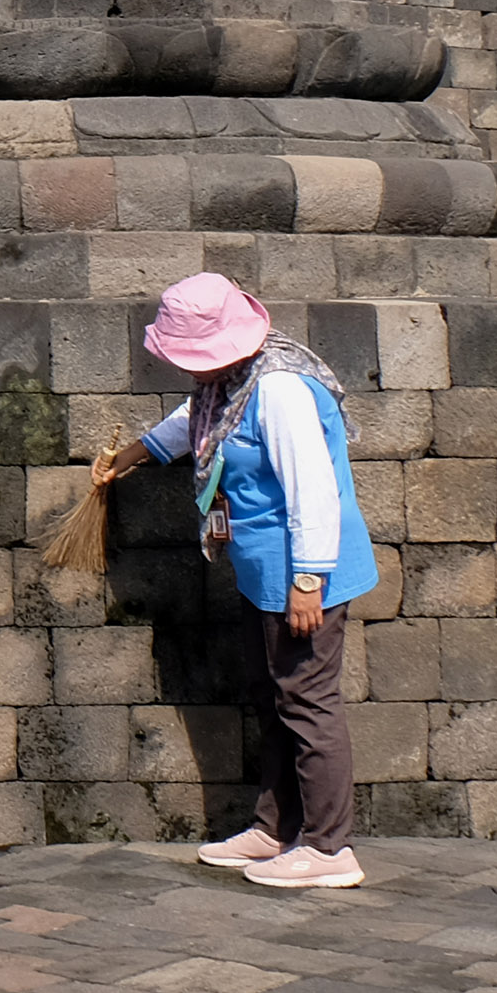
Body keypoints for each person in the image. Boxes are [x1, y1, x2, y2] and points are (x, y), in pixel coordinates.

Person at [96, 272, 379, 890]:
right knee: (274, 696)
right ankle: (275, 828)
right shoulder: (231, 383)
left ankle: (329, 847)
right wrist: (129, 457)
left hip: (300, 571)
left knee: (308, 702)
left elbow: (313, 489)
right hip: (262, 572)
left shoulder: (279, 389)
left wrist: (309, 581)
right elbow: (191, 423)